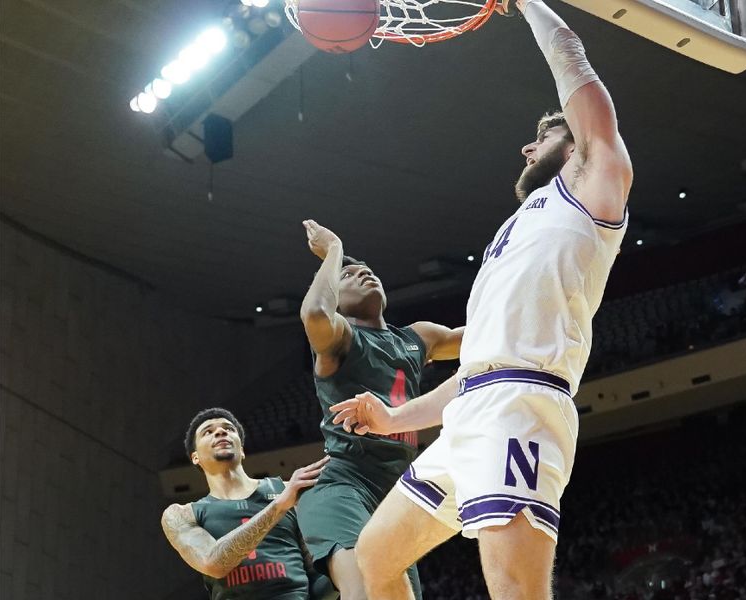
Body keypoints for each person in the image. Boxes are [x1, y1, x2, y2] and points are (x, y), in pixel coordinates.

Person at [329, 0, 633, 597]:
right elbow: (475, 369)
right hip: (476, 406)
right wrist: (395, 419)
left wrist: (529, 5)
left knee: (515, 591)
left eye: (542, 136)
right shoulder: (518, 226)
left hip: (523, 405)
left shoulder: (598, 179)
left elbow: (570, 54)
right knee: (376, 558)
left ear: (576, 144)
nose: (526, 149)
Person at [298, 220, 465, 600]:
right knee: (366, 589)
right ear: (334, 297)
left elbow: (489, 336)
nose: (364, 274)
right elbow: (315, 316)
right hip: (345, 484)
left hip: (399, 490)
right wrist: (334, 249)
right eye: (350, 275)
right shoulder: (340, 337)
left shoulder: (417, 336)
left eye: (368, 272)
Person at [161, 407, 337, 600]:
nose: (220, 432)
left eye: (228, 429)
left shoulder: (288, 491)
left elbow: (315, 569)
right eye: (208, 432)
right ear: (195, 457)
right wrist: (278, 506)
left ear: (242, 450)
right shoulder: (183, 514)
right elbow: (213, 563)